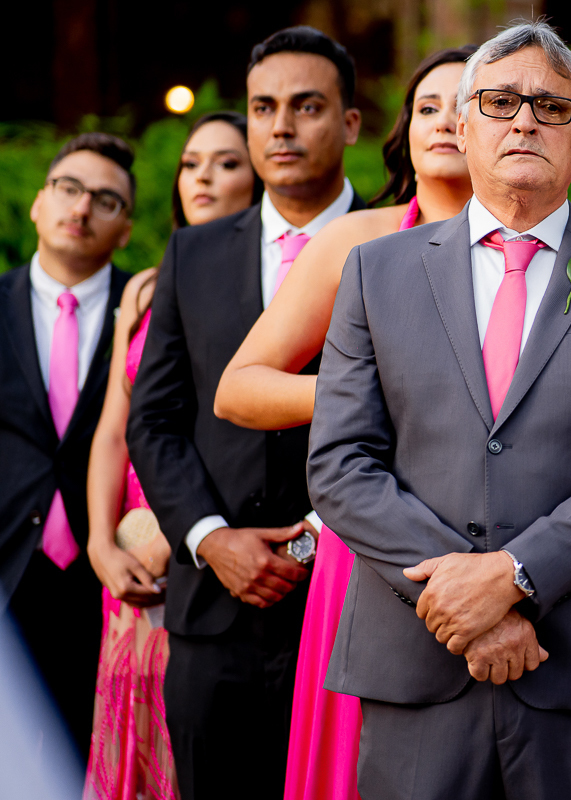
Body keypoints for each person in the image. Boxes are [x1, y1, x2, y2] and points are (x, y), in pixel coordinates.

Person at [306, 21, 571, 798]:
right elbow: (341, 463)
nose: (524, 121)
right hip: (418, 660)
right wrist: (461, 597)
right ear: (462, 125)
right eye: (499, 101)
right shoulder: (376, 272)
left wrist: (518, 575)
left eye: (552, 107)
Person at [213, 46, 476, 800]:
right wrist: (364, 392)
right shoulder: (356, 240)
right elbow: (240, 388)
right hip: (369, 545)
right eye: (427, 107)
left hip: (500, 548)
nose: (445, 121)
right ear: (404, 131)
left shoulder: (554, 257)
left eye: (466, 104)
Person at [125, 26, 366, 800]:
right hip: (212, 610)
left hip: (352, 607)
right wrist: (208, 537)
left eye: (307, 106)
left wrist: (315, 541)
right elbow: (155, 419)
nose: (281, 127)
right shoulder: (193, 254)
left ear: (350, 123)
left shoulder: (399, 243)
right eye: (264, 108)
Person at [83, 111, 259, 800]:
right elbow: (115, 428)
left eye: (226, 162)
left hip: (200, 539)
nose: (203, 176)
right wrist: (102, 543)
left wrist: (176, 531)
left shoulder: (280, 287)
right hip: (129, 552)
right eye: (191, 164)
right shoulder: (144, 288)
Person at [0, 133, 135, 783]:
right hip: (8, 568)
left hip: (108, 580)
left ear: (126, 228)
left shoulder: (151, 312)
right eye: (69, 189)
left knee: (91, 768)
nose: (82, 208)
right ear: (38, 202)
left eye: (105, 200)